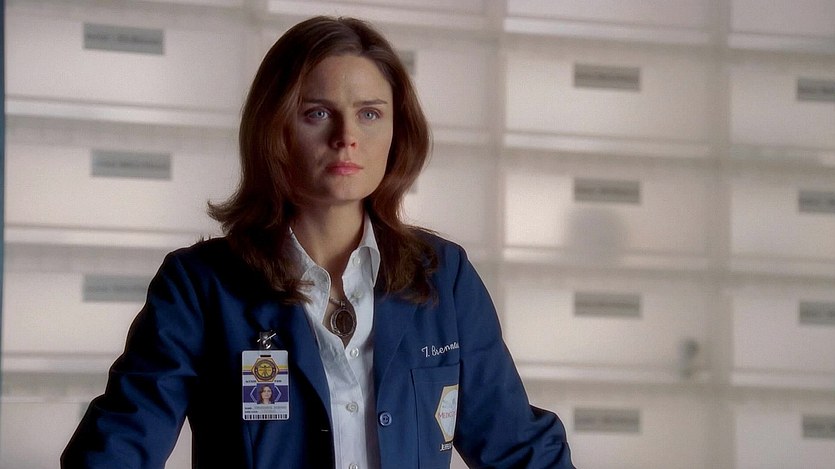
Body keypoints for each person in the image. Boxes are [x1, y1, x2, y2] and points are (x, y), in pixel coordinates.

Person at [61, 15, 574, 469]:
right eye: (316, 113)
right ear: (273, 127)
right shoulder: (199, 286)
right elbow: (118, 447)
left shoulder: (444, 275)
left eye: (370, 113)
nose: (346, 136)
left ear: (397, 132)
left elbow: (519, 447)